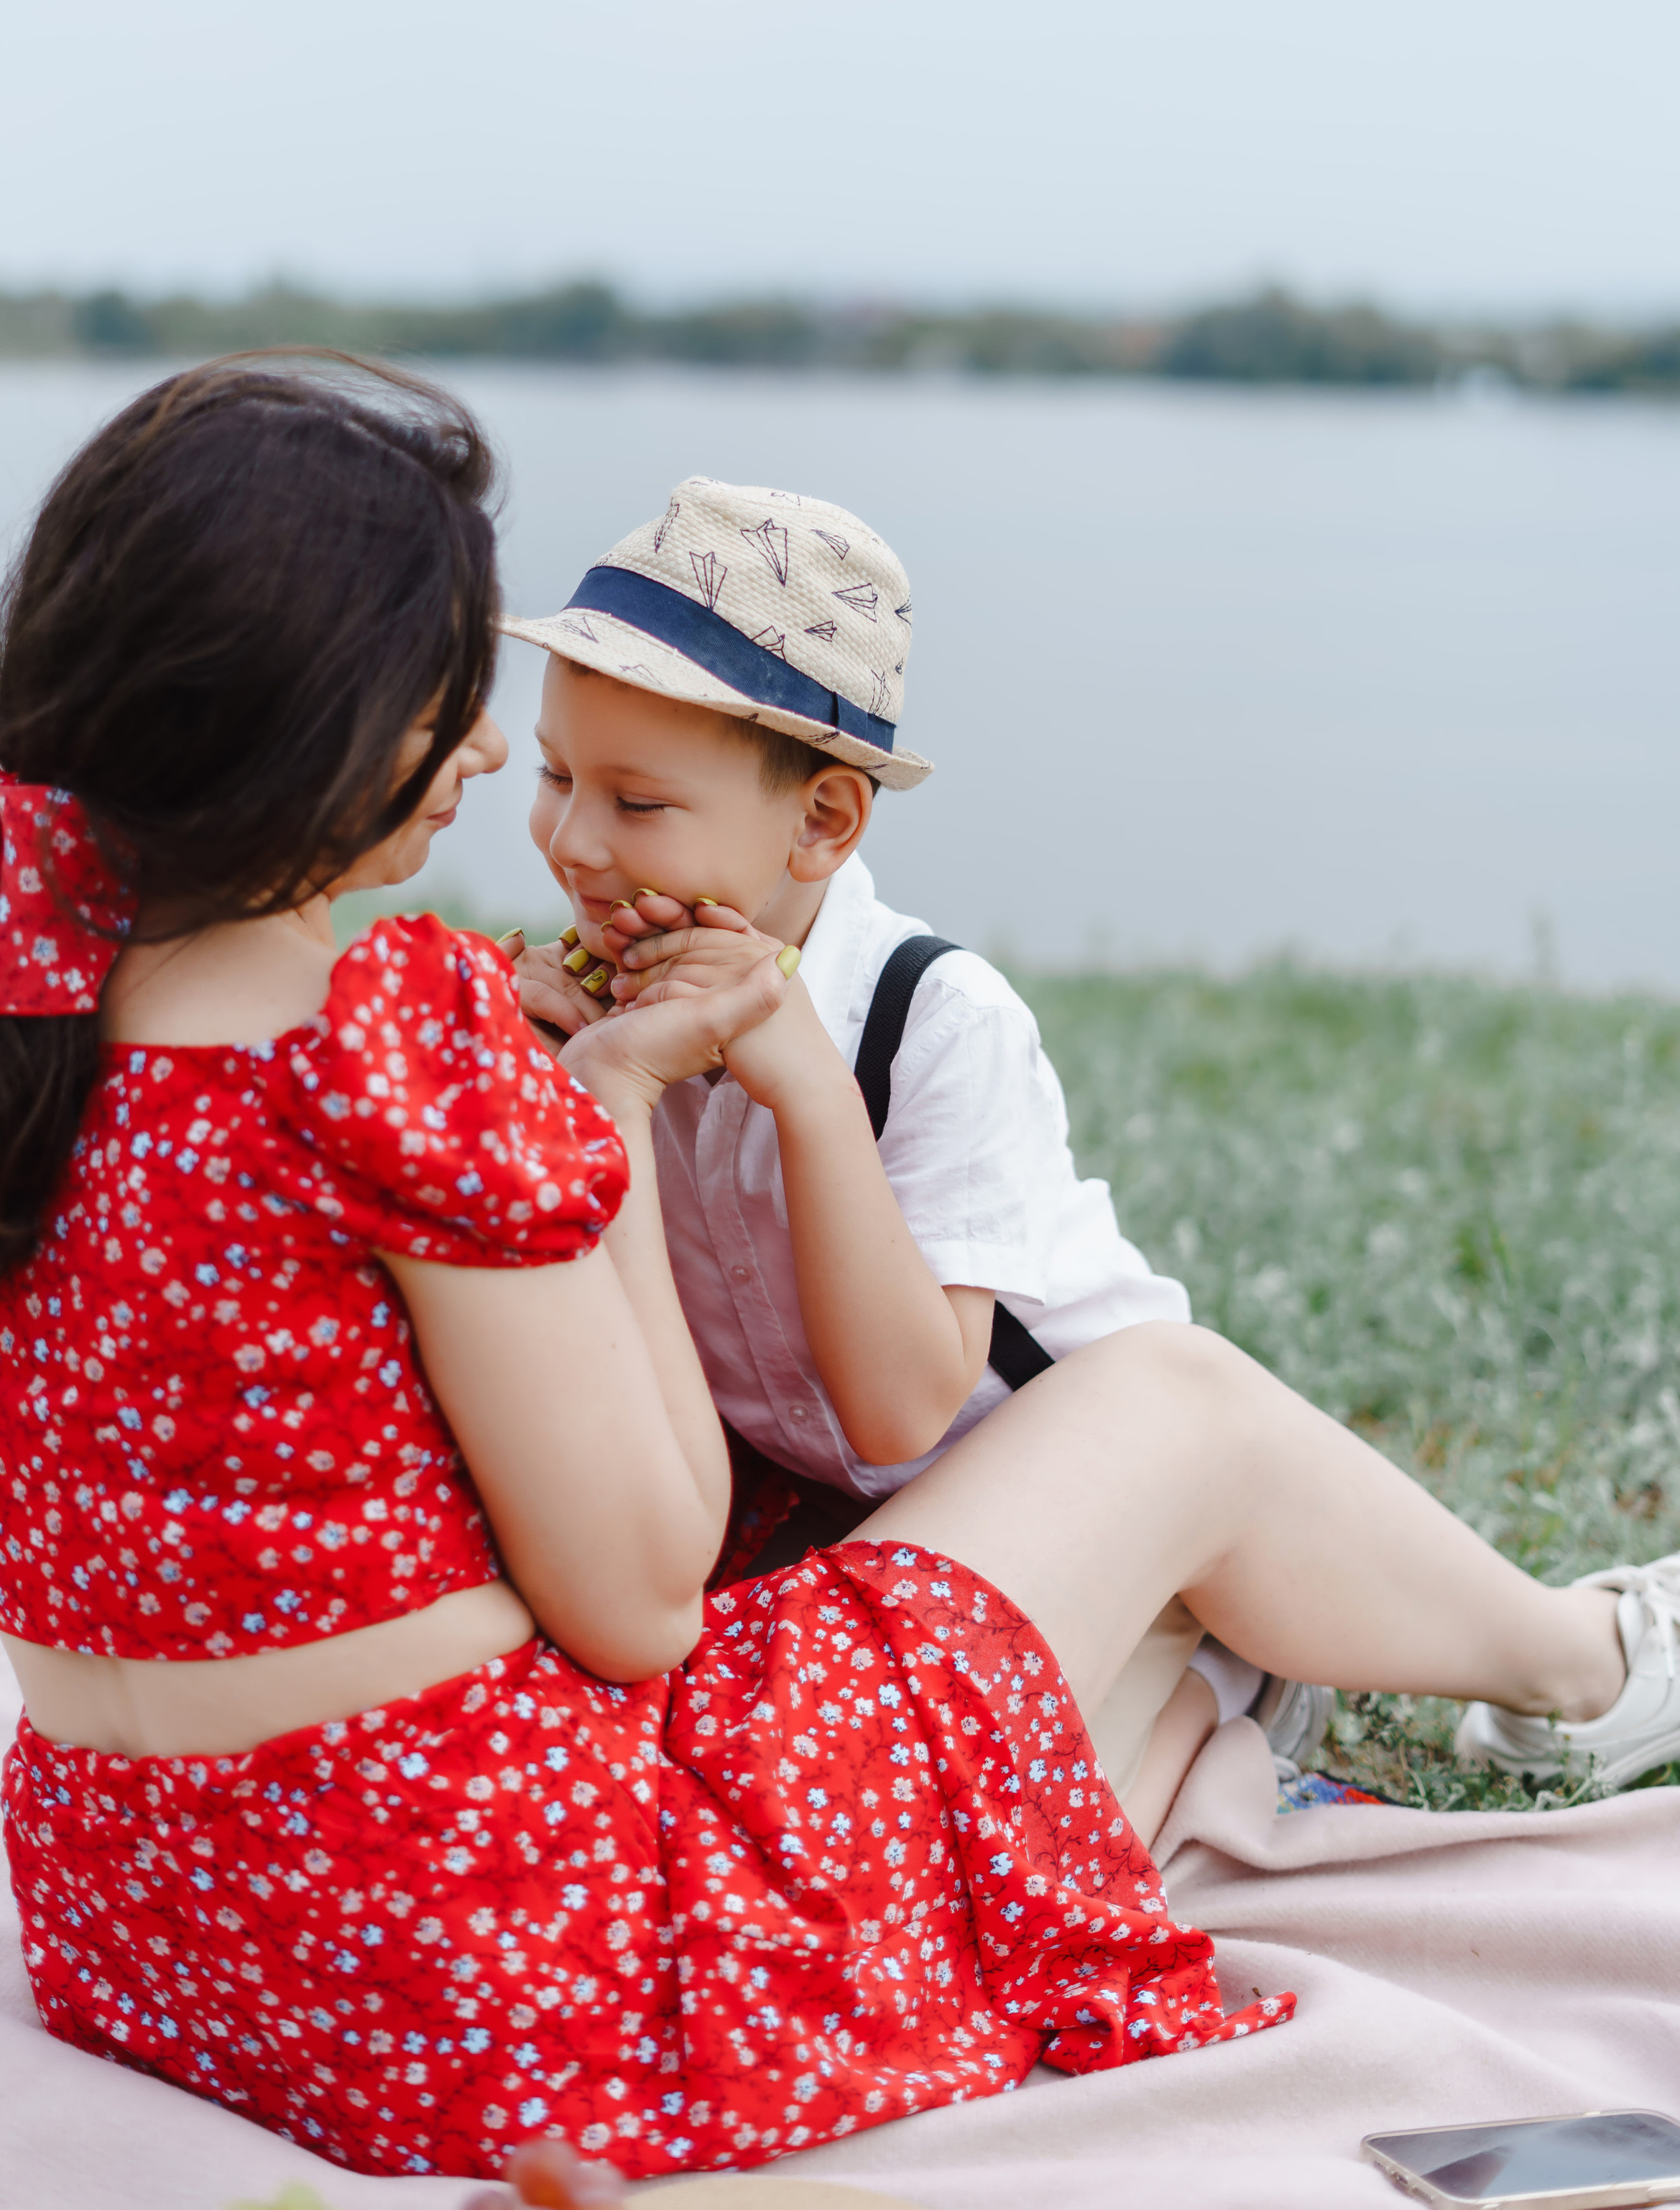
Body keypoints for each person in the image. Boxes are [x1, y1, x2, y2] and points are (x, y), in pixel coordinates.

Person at [0, 362, 1680, 2191]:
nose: (479, 766)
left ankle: (1382, 1678)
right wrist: (596, 1134)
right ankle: (1590, 1666)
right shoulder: (392, 1060)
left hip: (155, 1942)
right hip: (498, 1989)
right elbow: (640, 1605)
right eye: (461, 701)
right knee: (1163, 1399)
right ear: (334, 719)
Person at [504, 476, 1318, 1813]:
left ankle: (1223, 1690)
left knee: (1012, 1837)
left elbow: (899, 1415)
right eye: (553, 776)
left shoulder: (933, 1017)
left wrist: (813, 1092)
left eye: (639, 805)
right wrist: (575, 1094)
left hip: (1081, 1505)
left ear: (824, 820)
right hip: (838, 1522)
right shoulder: (600, 1008)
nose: (573, 841)